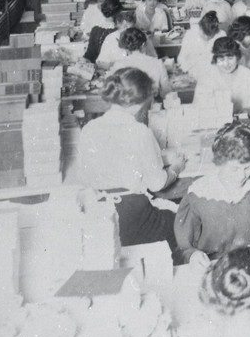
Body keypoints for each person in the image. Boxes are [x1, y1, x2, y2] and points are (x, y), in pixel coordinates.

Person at [77, 68, 182, 250]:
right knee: (183, 223)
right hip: (131, 215)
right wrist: (176, 169)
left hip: (99, 210)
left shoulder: (89, 128)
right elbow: (157, 183)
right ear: (138, 104)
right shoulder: (140, 132)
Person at [173, 124, 250, 262]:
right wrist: (193, 256)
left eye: (248, 168)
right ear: (219, 162)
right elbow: (184, 248)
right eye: (234, 169)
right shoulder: (199, 195)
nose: (241, 176)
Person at [193, 36, 250, 116]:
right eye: (221, 59)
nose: (226, 64)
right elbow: (198, 107)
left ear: (237, 57)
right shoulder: (206, 78)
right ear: (215, 59)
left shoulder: (248, 76)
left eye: (230, 58)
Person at [109, 27, 174, 99]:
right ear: (143, 45)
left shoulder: (118, 65)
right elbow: (166, 92)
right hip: (151, 106)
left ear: (125, 47)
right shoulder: (157, 63)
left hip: (126, 106)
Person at [178, 11, 222, 75]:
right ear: (200, 27)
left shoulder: (221, 35)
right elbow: (182, 58)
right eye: (204, 34)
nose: (206, 38)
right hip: (193, 73)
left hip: (214, 74)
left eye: (210, 36)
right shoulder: (190, 35)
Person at [83, 0, 123, 64]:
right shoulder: (118, 32)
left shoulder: (95, 29)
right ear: (118, 12)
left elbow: (89, 56)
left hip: (96, 67)